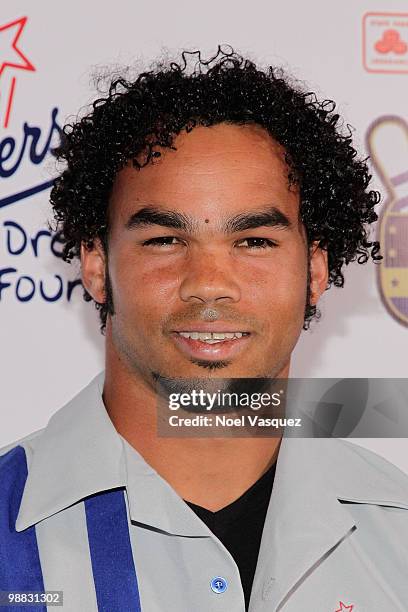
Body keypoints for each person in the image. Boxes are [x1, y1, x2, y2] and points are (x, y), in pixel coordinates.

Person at [1, 47, 407, 612]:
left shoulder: (399, 534)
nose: (210, 283)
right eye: (165, 240)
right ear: (96, 265)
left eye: (254, 242)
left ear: (315, 271)